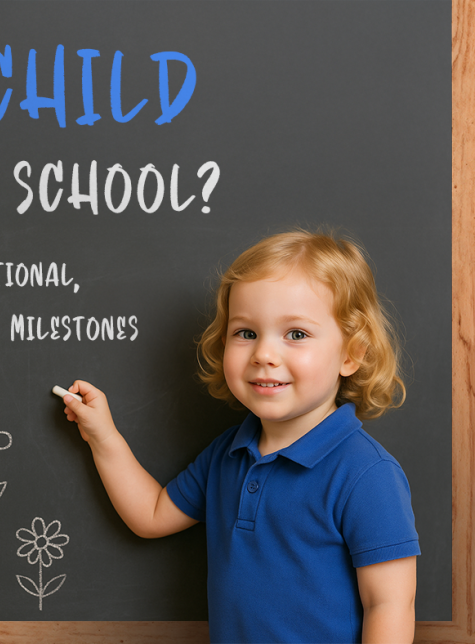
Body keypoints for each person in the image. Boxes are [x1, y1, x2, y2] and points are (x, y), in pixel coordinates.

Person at [61, 229, 419, 644]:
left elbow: (390, 605)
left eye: (296, 334)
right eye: (246, 332)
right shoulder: (229, 453)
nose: (264, 354)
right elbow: (151, 515)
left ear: (350, 354)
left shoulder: (365, 473)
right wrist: (102, 436)